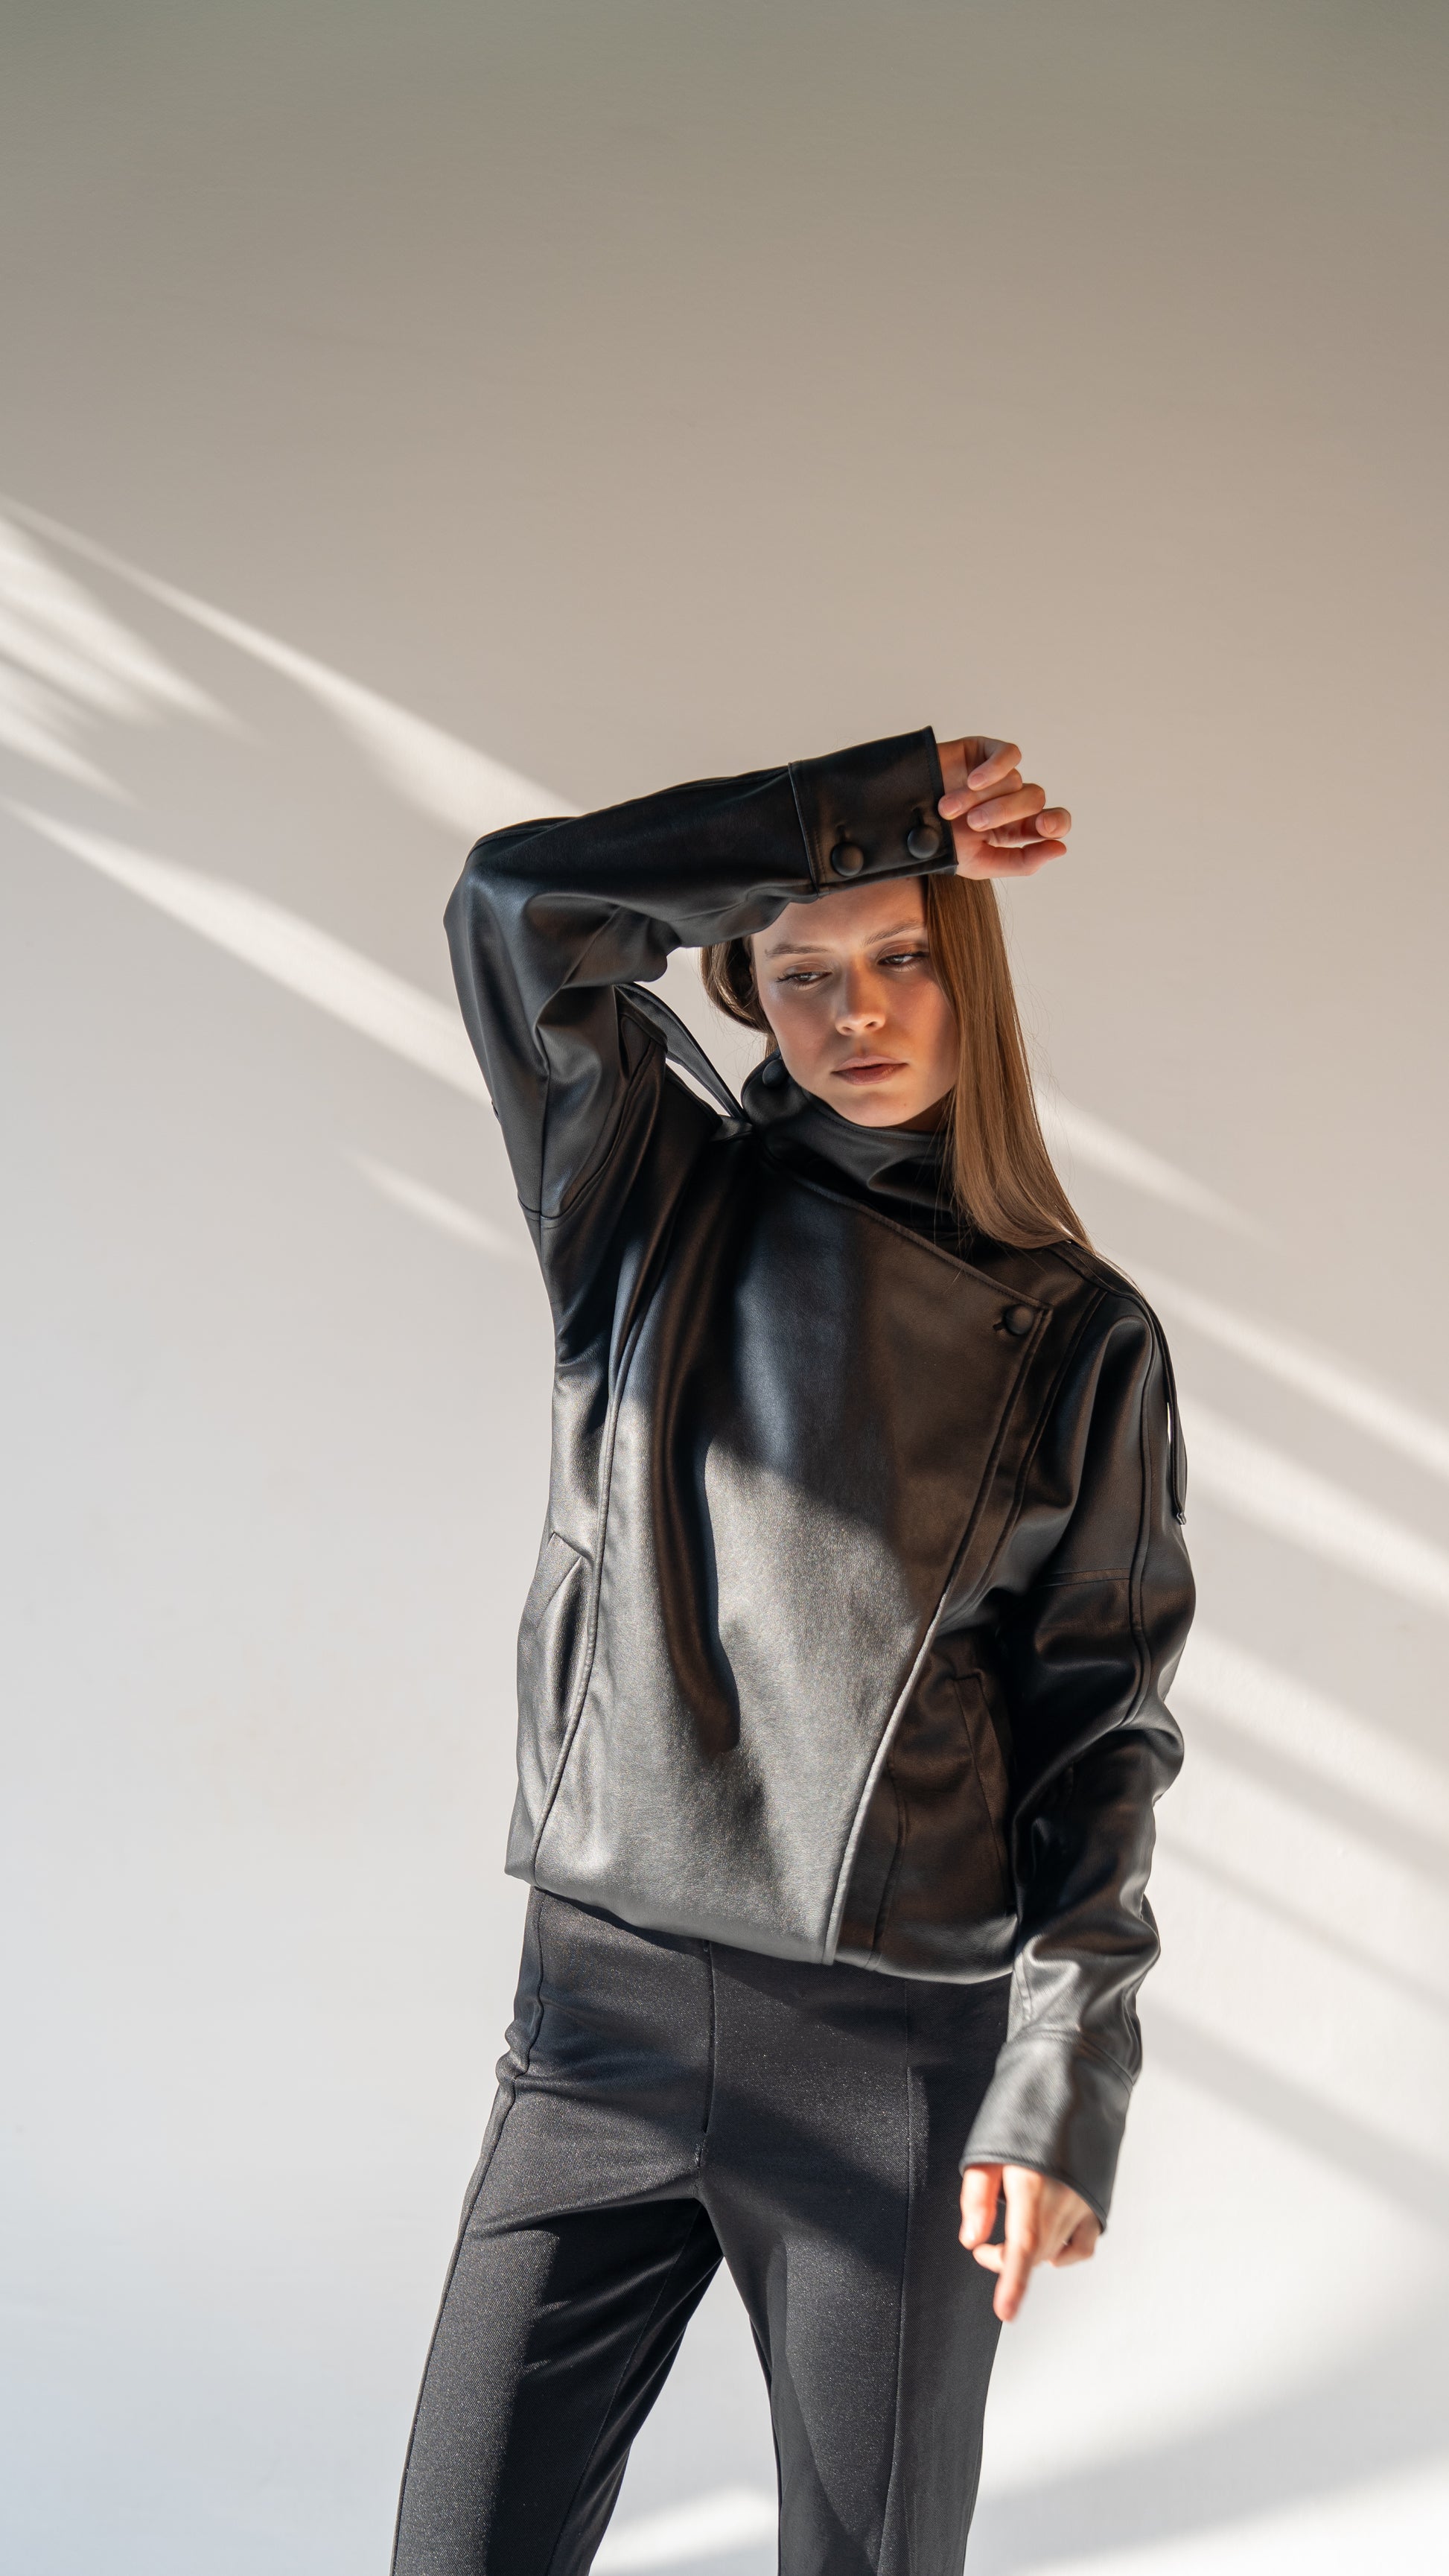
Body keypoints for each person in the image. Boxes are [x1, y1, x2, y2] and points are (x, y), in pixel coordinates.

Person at [391, 728, 1193, 2576]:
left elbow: (1101, 1726)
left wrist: (1065, 2066)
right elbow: (514, 903)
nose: (859, 1011)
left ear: (968, 974)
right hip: (593, 2018)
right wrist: (875, 812)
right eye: (802, 967)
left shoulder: (1083, 1331)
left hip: (887, 2054)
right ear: (740, 980)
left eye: (903, 953)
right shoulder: (640, 1200)